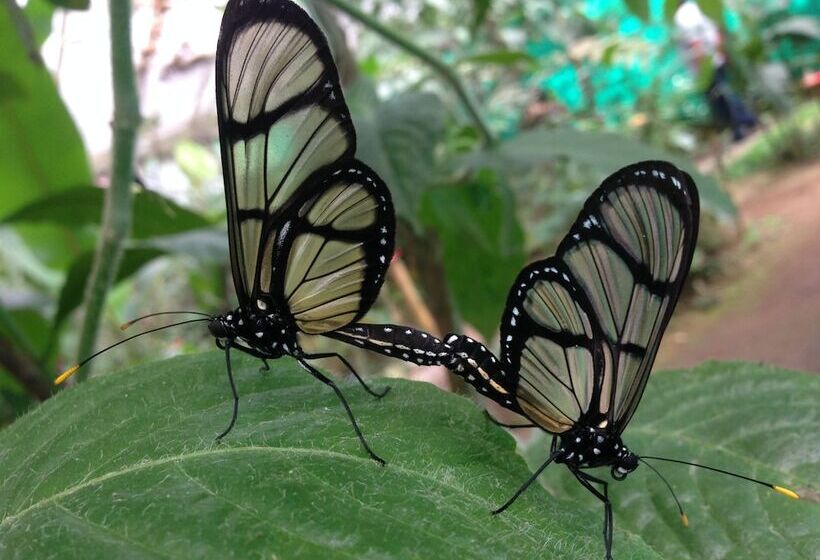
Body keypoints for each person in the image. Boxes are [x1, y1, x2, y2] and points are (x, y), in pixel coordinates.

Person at [674, 0, 758, 141]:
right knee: (726, 91)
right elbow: (717, 30)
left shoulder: (682, 15)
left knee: (720, 97)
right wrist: (721, 52)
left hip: (705, 62)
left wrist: (702, 68)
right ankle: (744, 124)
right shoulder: (700, 7)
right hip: (716, 57)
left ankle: (743, 125)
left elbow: (695, 41)